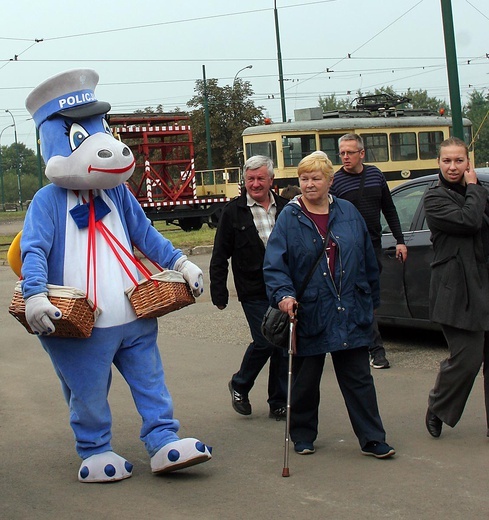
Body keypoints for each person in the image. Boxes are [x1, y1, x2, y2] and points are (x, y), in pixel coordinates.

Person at [263, 151, 395, 458]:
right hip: (309, 309)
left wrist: (371, 300)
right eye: (304, 179)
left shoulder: (348, 212)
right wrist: (284, 295)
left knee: (359, 379)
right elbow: (274, 265)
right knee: (306, 380)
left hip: (350, 307)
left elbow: (366, 260)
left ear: (330, 181)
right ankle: (303, 434)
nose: (309, 184)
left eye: (315, 178)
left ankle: (373, 438)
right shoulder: (290, 217)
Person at [210, 155, 289, 420]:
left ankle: (278, 401)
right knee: (266, 341)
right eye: (250, 179)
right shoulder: (233, 212)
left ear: (271, 180)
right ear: (244, 181)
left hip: (285, 287)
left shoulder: (287, 208)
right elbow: (220, 255)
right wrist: (218, 291)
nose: (255, 184)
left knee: (283, 343)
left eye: (260, 179)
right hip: (253, 289)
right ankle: (240, 384)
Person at [424, 136, 489, 439]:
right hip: (456, 290)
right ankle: (438, 405)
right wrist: (475, 189)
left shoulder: (480, 192)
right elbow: (469, 221)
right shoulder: (434, 198)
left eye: (459, 160)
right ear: (439, 163)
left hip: (484, 282)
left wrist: (476, 190)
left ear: (468, 161)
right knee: (468, 359)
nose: (453, 166)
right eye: (447, 161)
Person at [331, 133, 408, 369]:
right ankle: (376, 350)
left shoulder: (375, 175)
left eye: (349, 152)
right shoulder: (336, 182)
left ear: (361, 153)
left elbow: (389, 208)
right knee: (361, 295)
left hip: (374, 245)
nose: (345, 157)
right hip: (349, 249)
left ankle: (358, 342)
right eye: (342, 153)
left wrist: (400, 240)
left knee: (370, 296)